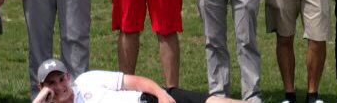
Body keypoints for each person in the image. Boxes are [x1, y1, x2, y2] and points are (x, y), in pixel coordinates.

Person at [32, 58, 247, 103]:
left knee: (212, 102)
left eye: (61, 79)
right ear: (42, 89)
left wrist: (162, 94)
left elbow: (135, 82)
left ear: (68, 77)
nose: (60, 86)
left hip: (149, 99)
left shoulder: (87, 80)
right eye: (51, 84)